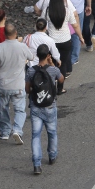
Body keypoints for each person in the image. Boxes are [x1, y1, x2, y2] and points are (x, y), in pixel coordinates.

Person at [0, 24, 33, 144]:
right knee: (19, 110)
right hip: (18, 85)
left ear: (4, 34)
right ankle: (17, 130)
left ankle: (5, 132)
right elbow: (31, 57)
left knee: (4, 108)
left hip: (3, 85)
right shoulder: (22, 46)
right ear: (16, 32)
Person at [25, 44, 64, 175]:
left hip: (36, 107)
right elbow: (61, 78)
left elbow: (27, 89)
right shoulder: (52, 70)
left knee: (36, 135)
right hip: (50, 105)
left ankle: (36, 164)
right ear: (48, 55)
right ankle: (52, 156)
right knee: (52, 132)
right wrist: (52, 64)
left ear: (36, 55)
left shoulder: (31, 71)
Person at [34, 0, 81, 94]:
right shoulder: (67, 10)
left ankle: (50, 87)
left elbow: (41, 22)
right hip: (65, 41)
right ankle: (60, 88)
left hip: (51, 41)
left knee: (50, 64)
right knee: (63, 64)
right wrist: (81, 37)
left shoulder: (47, 10)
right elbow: (75, 25)